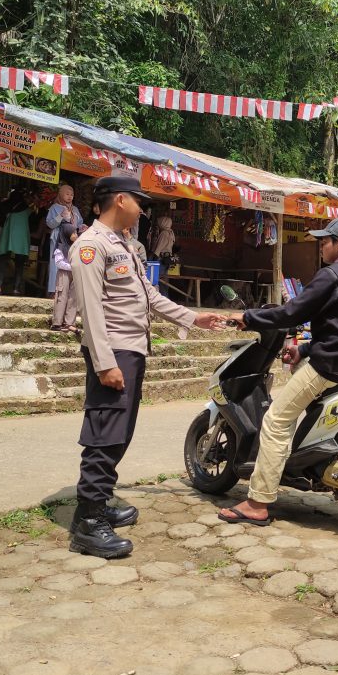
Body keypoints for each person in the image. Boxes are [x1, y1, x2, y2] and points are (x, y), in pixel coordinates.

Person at [68, 176, 226, 559]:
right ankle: (88, 522)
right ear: (120, 200)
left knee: (120, 432)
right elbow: (90, 310)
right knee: (105, 433)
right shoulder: (90, 247)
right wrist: (105, 364)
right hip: (114, 353)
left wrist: (191, 318)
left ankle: (100, 501)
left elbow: (149, 296)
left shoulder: (124, 244)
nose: (142, 208)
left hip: (132, 350)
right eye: (138, 201)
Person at [218, 218, 338, 525]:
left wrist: (248, 317)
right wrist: (304, 349)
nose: (321, 245)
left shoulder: (332, 274)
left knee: (277, 420)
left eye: (325, 241)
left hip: (331, 365)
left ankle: (257, 502)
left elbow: (293, 311)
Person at [46, 184, 84, 297]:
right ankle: (54, 290)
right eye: (67, 194)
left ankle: (67, 291)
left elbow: (79, 223)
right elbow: (50, 224)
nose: (70, 197)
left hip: (72, 238)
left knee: (70, 262)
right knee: (56, 262)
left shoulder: (75, 209)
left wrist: (82, 227)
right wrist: (60, 216)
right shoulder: (54, 207)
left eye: (72, 195)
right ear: (61, 194)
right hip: (59, 238)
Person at [0, 188, 34, 296]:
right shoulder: (27, 209)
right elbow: (33, 224)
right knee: (19, 264)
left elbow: (1, 222)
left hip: (7, 236)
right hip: (21, 239)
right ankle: (16, 289)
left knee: (2, 261)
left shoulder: (4, 206)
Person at [50, 221, 79, 332]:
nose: (76, 235)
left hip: (75, 273)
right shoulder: (60, 247)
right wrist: (73, 267)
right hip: (64, 273)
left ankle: (69, 323)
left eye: (76, 232)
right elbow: (59, 263)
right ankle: (57, 323)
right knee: (62, 296)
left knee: (73, 297)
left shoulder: (76, 247)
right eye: (73, 233)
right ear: (67, 233)